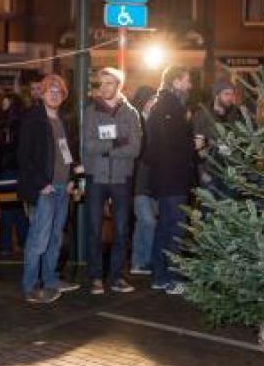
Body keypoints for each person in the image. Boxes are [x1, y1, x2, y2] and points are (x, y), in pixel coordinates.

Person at [17, 74, 82, 304]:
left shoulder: (64, 120)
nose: (54, 94)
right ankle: (30, 285)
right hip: (44, 189)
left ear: (63, 96)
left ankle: (51, 280)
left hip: (62, 188)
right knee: (39, 239)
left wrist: (73, 176)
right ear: (42, 93)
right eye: (50, 91)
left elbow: (69, 152)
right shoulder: (33, 119)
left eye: (58, 91)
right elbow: (25, 158)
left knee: (55, 238)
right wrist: (39, 185)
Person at [84, 67, 142, 295]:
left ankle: (117, 276)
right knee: (94, 229)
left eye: (109, 83)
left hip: (121, 178)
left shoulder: (131, 113)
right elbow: (89, 145)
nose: (104, 87)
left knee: (120, 229)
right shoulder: (91, 112)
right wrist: (118, 144)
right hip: (96, 177)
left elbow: (135, 149)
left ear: (119, 86)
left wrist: (105, 148)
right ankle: (96, 277)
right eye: (102, 83)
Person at [142, 66, 196, 295]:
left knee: (165, 227)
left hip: (167, 178)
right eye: (187, 80)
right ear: (175, 82)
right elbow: (169, 145)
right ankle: (170, 277)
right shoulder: (169, 108)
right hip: (172, 178)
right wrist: (193, 145)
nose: (190, 85)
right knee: (174, 228)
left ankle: (160, 275)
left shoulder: (165, 106)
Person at [193, 78, 241, 199]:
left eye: (232, 94)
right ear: (216, 94)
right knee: (209, 211)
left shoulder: (236, 115)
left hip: (231, 174)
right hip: (209, 173)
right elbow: (196, 147)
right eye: (226, 94)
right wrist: (201, 172)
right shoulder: (202, 115)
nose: (230, 97)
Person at [0, 93, 28, 257]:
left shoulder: (10, 126)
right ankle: (22, 242)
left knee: (8, 209)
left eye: (6, 103)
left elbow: (8, 148)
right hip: (14, 169)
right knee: (17, 208)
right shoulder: (16, 123)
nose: (3, 107)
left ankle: (6, 244)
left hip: (9, 169)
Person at [130, 86, 157, 276]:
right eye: (151, 99)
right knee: (147, 221)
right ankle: (144, 260)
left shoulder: (157, 121)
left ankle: (138, 262)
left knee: (144, 223)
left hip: (154, 181)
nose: (154, 102)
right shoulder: (133, 119)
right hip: (138, 180)